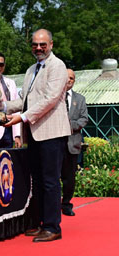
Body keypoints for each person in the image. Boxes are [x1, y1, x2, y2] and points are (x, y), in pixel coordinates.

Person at [4, 29, 71, 242]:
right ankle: (41, 222)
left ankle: (53, 227)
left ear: (51, 44)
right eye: (35, 44)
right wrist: (1, 106)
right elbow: (26, 100)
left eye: (43, 44)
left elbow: (50, 99)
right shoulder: (31, 69)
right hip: (34, 133)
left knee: (51, 181)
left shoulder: (57, 66)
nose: (39, 48)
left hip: (51, 132)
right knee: (39, 181)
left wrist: (22, 117)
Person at [61, 69, 88, 216]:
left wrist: (69, 125)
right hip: (55, 143)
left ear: (74, 80)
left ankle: (66, 205)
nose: (69, 80)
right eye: (66, 78)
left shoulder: (81, 99)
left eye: (71, 78)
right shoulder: (54, 98)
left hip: (72, 144)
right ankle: (51, 205)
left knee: (69, 178)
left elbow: (84, 119)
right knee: (52, 177)